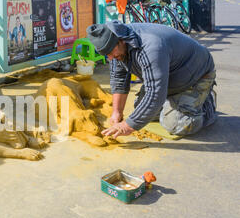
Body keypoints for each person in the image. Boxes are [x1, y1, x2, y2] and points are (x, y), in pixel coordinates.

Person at [86, 21, 217, 138]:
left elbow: (155, 94)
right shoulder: (115, 48)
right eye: (106, 55)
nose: (110, 58)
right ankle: (177, 102)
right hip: (170, 78)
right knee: (141, 110)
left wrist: (127, 126)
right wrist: (117, 113)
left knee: (175, 124)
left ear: (121, 40)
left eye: (111, 52)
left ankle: (205, 106)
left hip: (195, 76)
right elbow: (119, 79)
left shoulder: (150, 46)